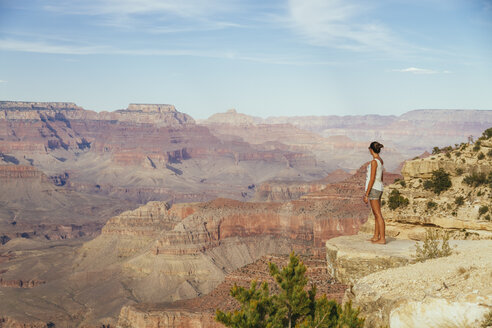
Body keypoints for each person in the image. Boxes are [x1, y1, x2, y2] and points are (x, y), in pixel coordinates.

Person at [363, 141, 386, 244]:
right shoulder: (380, 161)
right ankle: (376, 236)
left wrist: (366, 194)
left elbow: (372, 178)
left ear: (371, 150)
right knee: (376, 214)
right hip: (379, 187)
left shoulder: (373, 162)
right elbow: (380, 177)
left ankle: (382, 239)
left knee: (378, 215)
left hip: (374, 189)